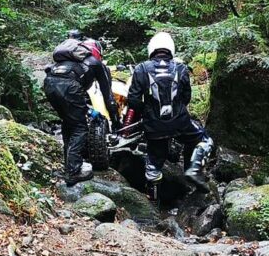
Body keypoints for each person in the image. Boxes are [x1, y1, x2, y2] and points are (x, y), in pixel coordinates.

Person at [125, 31, 214, 206]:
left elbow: (133, 101)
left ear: (151, 49)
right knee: (204, 141)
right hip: (180, 122)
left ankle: (152, 205)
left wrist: (147, 113)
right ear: (170, 49)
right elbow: (186, 97)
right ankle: (193, 170)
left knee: (153, 165)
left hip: (153, 126)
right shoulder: (181, 68)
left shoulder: (141, 68)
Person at [42, 32, 122, 185]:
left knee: (68, 122)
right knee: (80, 128)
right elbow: (108, 98)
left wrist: (88, 110)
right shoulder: (96, 64)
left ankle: (68, 165)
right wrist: (116, 121)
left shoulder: (66, 62)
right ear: (97, 51)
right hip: (69, 87)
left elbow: (75, 98)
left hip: (49, 83)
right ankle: (73, 171)